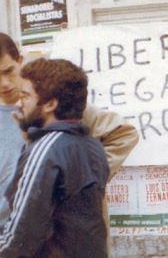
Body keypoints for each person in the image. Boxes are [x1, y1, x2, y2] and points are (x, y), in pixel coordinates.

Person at [0, 33, 139, 236]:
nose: (4, 83)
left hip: (60, 237)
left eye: (9, 71)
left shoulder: (50, 100)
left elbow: (123, 134)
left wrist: (81, 178)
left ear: (19, 61)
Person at [0, 58, 109, 257]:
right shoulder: (92, 146)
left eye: (25, 96)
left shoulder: (45, 150)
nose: (19, 104)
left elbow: (22, 233)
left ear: (50, 104)